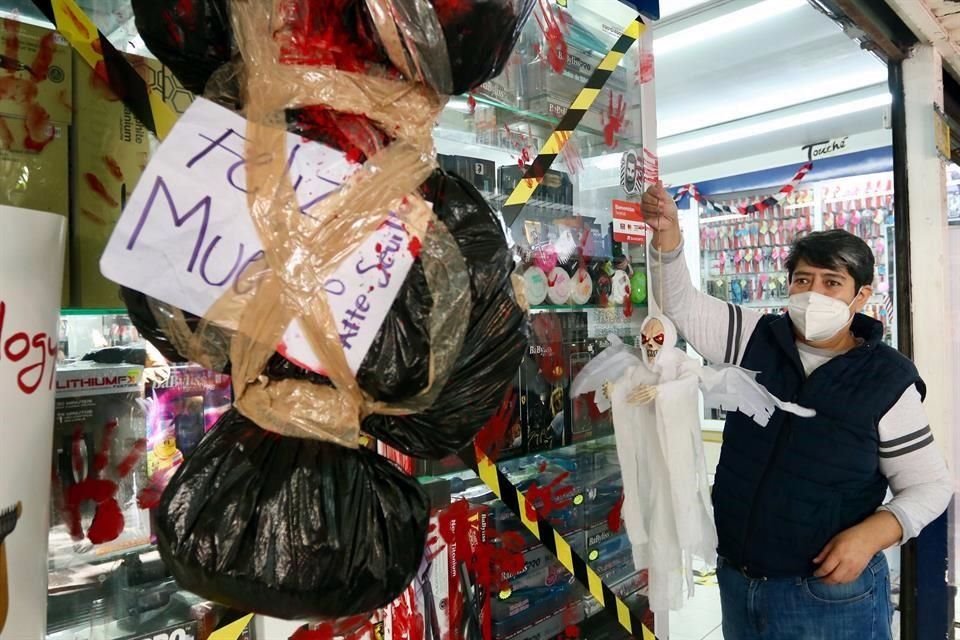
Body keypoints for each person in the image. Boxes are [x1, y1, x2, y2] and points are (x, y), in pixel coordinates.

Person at [640, 182, 953, 640]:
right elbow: (683, 306)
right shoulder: (756, 337)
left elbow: (930, 485)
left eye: (832, 283)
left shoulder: (886, 378)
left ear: (860, 296)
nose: (813, 293)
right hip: (740, 582)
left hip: (829, 597)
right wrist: (666, 236)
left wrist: (872, 535)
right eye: (803, 280)